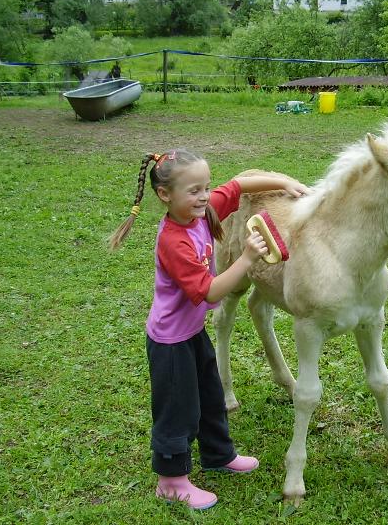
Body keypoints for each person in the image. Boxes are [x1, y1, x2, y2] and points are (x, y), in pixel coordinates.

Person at [109, 149, 308, 510]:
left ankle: (218, 455)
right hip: (170, 342)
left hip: (192, 332)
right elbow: (210, 291)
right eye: (194, 191)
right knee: (178, 410)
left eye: (205, 187)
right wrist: (246, 258)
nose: (204, 196)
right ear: (165, 195)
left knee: (211, 397)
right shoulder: (174, 241)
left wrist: (285, 182)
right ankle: (171, 481)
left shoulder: (202, 210)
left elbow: (239, 186)